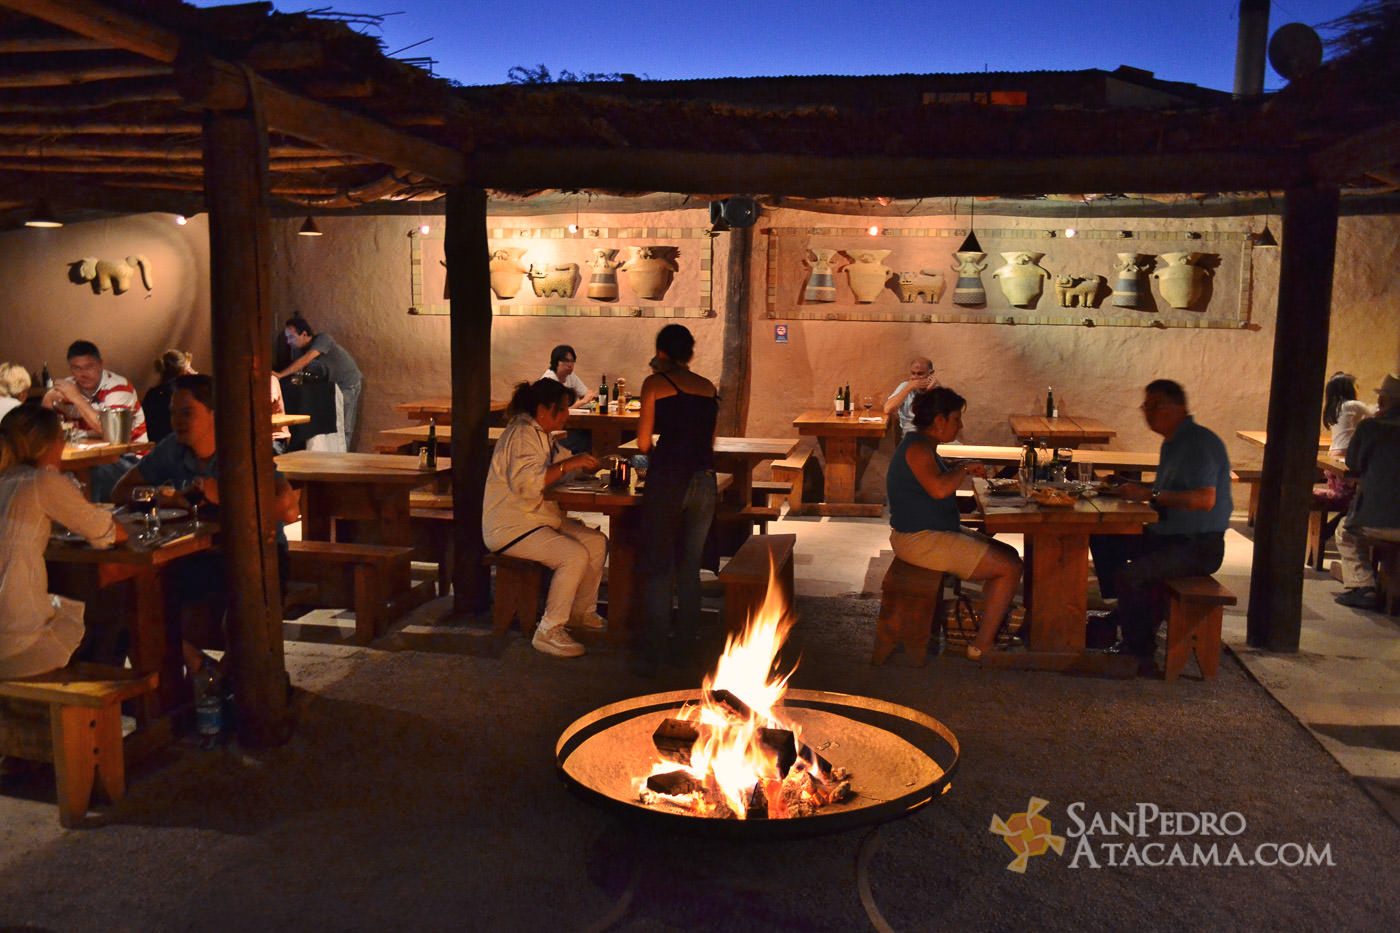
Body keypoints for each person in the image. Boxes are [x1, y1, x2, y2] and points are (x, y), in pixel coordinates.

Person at [112, 375, 300, 675]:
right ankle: (196, 673)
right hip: (195, 554)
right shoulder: (173, 448)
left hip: (256, 556)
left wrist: (226, 495)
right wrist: (164, 497)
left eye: (187, 412)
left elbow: (289, 511)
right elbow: (121, 491)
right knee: (135, 601)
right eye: (173, 412)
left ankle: (230, 684)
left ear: (215, 414)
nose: (177, 421)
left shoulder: (240, 450)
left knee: (244, 624)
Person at [1089, 380, 1233, 676]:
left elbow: (1204, 500)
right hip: (1168, 536)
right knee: (1104, 537)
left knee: (1132, 575)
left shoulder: (1198, 443)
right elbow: (1163, 492)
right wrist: (1132, 487)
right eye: (1146, 406)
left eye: (1154, 406)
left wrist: (1149, 495)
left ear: (1176, 408)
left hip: (1197, 545)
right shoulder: (1174, 442)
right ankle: (1124, 612)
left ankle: (1140, 652)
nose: (1148, 414)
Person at [886, 386, 1022, 660]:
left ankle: (982, 626)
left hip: (927, 533)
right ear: (940, 421)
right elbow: (938, 489)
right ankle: (982, 646)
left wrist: (960, 466)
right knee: (1009, 568)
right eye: (957, 419)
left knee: (1008, 555)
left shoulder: (922, 445)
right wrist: (962, 468)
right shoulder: (917, 449)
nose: (960, 426)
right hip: (919, 539)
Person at [483, 379, 608, 658]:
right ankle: (549, 630)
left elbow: (559, 467)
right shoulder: (522, 434)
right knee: (573, 555)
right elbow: (529, 484)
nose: (567, 415)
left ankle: (580, 612)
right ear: (543, 410)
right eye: (562, 409)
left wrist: (584, 466)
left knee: (596, 542)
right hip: (511, 526)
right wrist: (570, 464)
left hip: (535, 519)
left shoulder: (542, 435)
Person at [0, 403, 125, 678]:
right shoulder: (40, 482)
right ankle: (105, 702)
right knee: (113, 606)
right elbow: (106, 532)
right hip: (17, 641)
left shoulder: (8, 479)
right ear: (52, 443)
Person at [634, 324, 719, 674]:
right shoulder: (708, 387)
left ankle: (655, 653)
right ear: (690, 353)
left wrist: (655, 457)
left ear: (662, 351)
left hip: (669, 478)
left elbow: (642, 444)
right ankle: (688, 648)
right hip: (705, 479)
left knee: (659, 568)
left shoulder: (654, 385)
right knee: (689, 569)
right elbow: (708, 441)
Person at [1333, 374, 1400, 610]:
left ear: (1385, 401)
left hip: (1376, 521)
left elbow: (1353, 462)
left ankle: (1363, 587)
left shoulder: (1371, 427)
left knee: (1345, 532)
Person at [275, 316, 362, 450]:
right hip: (329, 387)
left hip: (347, 383)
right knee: (333, 422)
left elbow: (306, 359)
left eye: (291, 337)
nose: (288, 341)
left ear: (304, 334)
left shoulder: (323, 339)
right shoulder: (297, 350)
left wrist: (280, 375)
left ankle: (345, 459)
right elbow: (299, 371)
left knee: (344, 423)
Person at [41, 340, 147, 443]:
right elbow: (45, 432)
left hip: (129, 455)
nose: (83, 374)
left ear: (100, 364)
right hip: (88, 455)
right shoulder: (68, 387)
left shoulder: (119, 387)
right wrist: (48, 398)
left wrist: (76, 398)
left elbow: (111, 433)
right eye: (77, 368)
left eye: (89, 367)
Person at [541, 344, 596, 455]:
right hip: (549, 432)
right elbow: (556, 411)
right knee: (587, 439)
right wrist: (582, 402)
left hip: (565, 426)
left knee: (590, 435)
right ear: (556, 362)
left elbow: (587, 393)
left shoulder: (570, 376)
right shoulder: (549, 380)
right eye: (566, 361)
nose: (570, 365)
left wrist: (585, 399)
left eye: (572, 361)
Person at [142, 349, 195, 444]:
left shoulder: (152, 394)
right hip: (178, 449)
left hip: (155, 449)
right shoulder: (184, 396)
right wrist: (196, 380)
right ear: (183, 371)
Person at [884, 357, 938, 438]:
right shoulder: (905, 386)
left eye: (920, 374)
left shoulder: (937, 389)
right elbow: (888, 409)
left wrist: (929, 392)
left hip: (935, 436)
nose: (915, 377)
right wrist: (909, 388)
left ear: (931, 374)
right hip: (912, 436)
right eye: (913, 373)